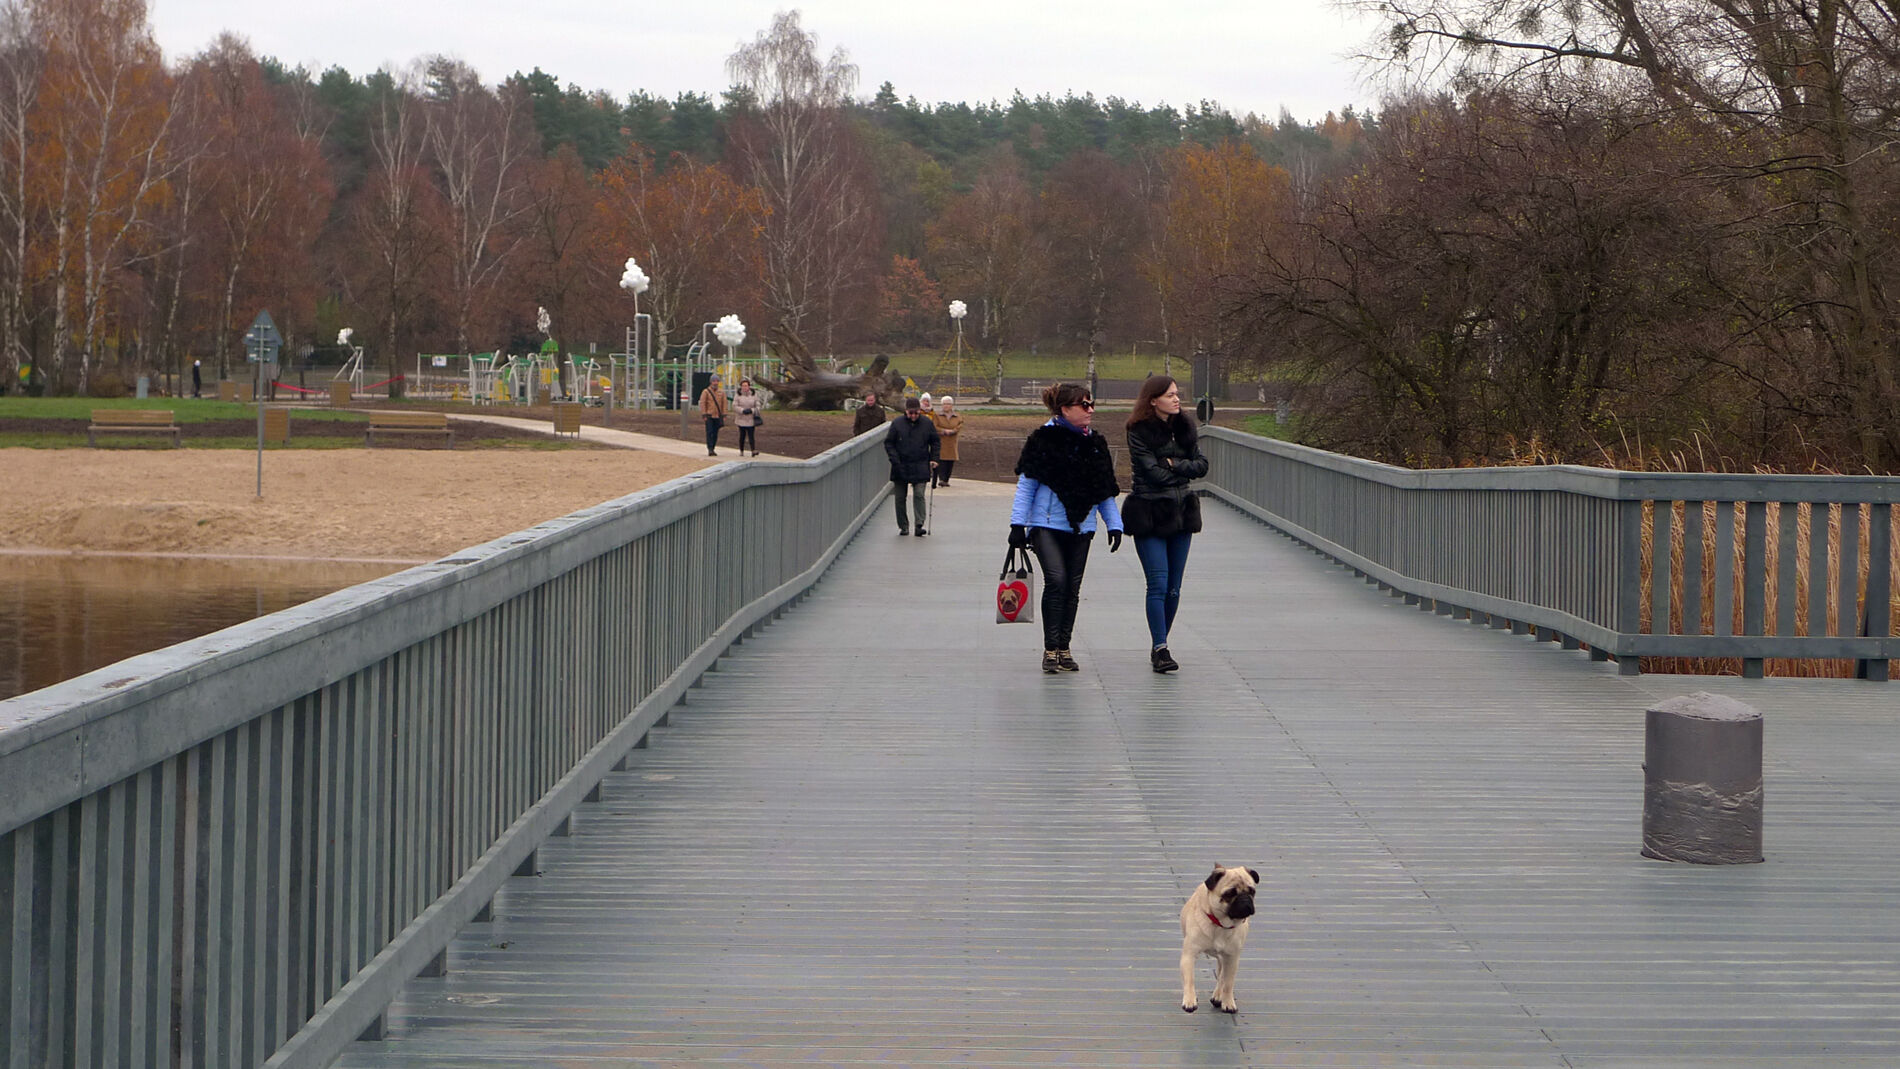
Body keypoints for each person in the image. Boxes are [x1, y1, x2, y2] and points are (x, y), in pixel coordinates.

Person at [1009, 382, 1123, 674]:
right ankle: (1050, 649)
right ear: (1065, 409)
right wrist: (1017, 526)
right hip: (1045, 525)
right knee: (1057, 581)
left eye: (1091, 403)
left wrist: (1114, 524)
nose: (1090, 410)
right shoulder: (1042, 440)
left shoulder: (1095, 444)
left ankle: (1064, 647)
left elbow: (1104, 489)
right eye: (1084, 405)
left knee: (1072, 587)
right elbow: (1026, 485)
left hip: (1082, 526)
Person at [1123, 375, 1208, 673]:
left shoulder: (1186, 428)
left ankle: (1160, 641)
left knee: (1174, 588)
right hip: (1149, 514)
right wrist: (1181, 469)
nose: (1176, 399)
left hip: (1182, 514)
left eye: (1177, 394)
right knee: (1157, 584)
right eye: (1170, 395)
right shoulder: (1138, 431)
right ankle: (1161, 648)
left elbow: (1202, 465)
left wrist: (1173, 465)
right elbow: (1153, 475)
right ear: (1153, 400)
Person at [885, 396, 940, 536]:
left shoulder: (927, 423)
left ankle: (919, 524)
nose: (914, 416)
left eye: (916, 413)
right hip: (900, 465)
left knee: (919, 494)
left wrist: (934, 458)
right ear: (906, 411)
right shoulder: (897, 423)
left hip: (920, 464)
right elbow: (889, 443)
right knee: (899, 498)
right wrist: (894, 459)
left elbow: (935, 442)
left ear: (920, 411)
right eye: (911, 413)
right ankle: (903, 526)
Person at [932, 395, 963, 487]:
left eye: (948, 404)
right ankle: (941, 478)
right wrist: (943, 431)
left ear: (952, 405)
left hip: (952, 441)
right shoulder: (937, 416)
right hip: (941, 440)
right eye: (944, 404)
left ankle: (946, 479)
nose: (946, 406)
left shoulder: (957, 416)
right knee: (941, 460)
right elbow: (934, 426)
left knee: (950, 461)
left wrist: (953, 431)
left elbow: (960, 425)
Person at [698, 373, 728, 455]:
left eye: (717, 381)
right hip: (709, 415)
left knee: (715, 433)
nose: (715, 383)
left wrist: (724, 414)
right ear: (711, 382)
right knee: (709, 432)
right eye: (714, 381)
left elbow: (724, 403)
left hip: (717, 416)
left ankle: (713, 447)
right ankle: (710, 448)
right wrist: (704, 414)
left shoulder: (721, 392)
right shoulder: (706, 392)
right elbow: (703, 403)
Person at [733, 378, 763, 456]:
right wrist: (742, 410)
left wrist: (752, 410)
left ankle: (753, 450)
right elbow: (735, 406)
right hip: (741, 418)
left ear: (749, 386)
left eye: (746, 386)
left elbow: (758, 405)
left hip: (751, 419)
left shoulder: (753, 394)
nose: (745, 387)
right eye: (743, 386)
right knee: (742, 435)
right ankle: (741, 450)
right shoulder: (738, 395)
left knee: (751, 435)